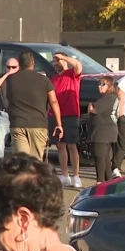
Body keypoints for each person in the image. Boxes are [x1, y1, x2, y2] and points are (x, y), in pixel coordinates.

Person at [5, 51, 63, 160]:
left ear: (20, 64)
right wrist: (59, 124)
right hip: (38, 124)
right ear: (33, 63)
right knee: (35, 162)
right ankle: (34, 177)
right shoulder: (44, 80)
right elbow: (54, 101)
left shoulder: (11, 80)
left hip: (18, 123)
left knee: (21, 161)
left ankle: (23, 176)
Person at [49, 52, 84, 188]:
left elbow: (78, 65)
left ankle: (76, 176)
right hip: (56, 115)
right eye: (54, 61)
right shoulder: (54, 78)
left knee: (72, 145)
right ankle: (65, 175)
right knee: (60, 145)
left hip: (71, 114)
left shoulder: (72, 74)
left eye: (57, 60)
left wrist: (63, 57)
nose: (56, 63)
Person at [88, 75, 118, 184]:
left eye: (102, 84)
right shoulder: (110, 97)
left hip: (103, 133)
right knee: (105, 159)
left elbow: (93, 109)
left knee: (100, 158)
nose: (99, 87)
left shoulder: (109, 97)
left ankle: (100, 181)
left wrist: (91, 105)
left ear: (109, 85)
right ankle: (108, 182)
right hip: (106, 131)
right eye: (99, 84)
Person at [0, 57, 18, 159]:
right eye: (8, 67)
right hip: (3, 114)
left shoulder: (21, 78)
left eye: (14, 67)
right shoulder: (1, 77)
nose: (11, 69)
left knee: (17, 145)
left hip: (17, 114)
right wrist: (6, 75)